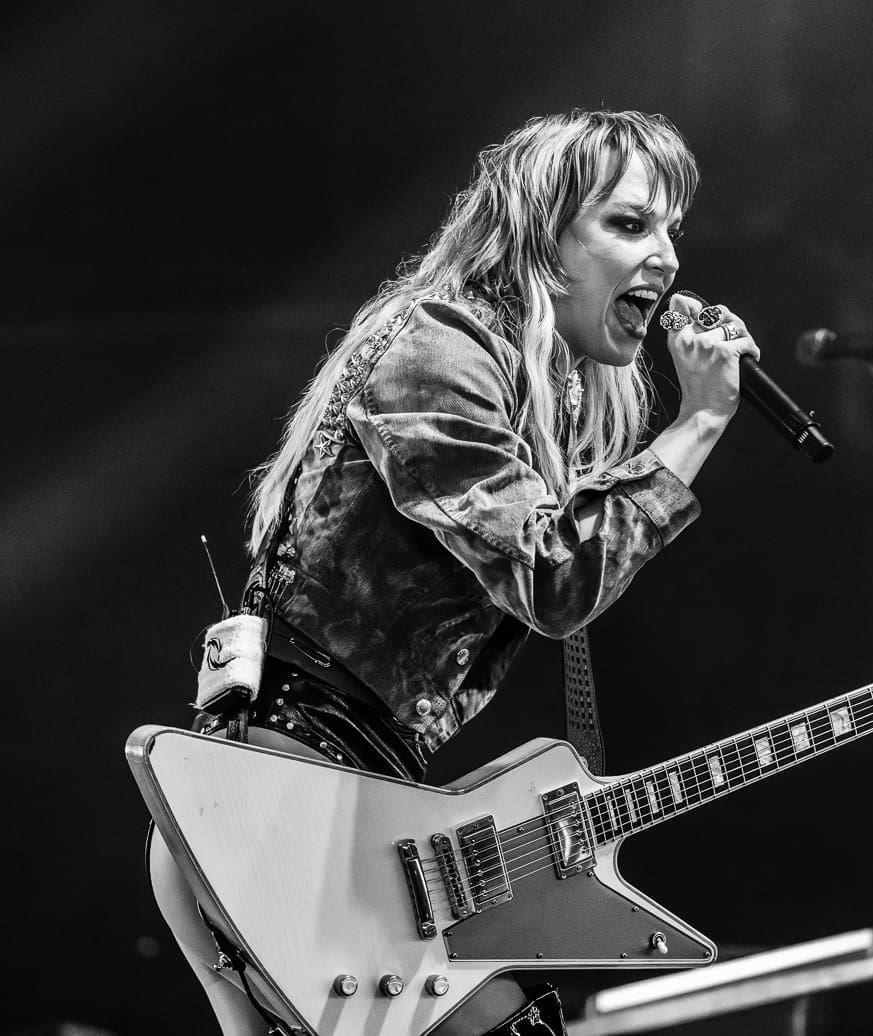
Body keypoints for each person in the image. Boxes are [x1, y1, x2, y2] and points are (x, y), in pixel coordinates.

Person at [147, 108, 760, 1035]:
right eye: (631, 224)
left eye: (673, 228)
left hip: (324, 798)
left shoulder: (518, 378)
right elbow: (556, 579)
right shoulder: (441, 343)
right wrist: (700, 422)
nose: (668, 256)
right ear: (541, 241)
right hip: (285, 791)